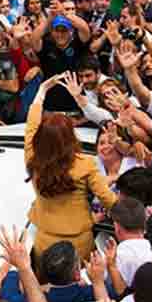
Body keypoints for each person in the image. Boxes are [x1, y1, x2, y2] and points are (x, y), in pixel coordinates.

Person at [24, 74, 116, 261]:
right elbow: (108, 200)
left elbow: (31, 125)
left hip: (44, 240)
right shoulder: (86, 163)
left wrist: (41, 91)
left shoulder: (32, 157)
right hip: (80, 244)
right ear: (71, 138)